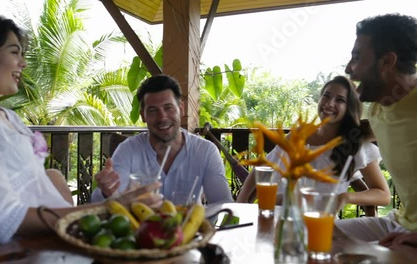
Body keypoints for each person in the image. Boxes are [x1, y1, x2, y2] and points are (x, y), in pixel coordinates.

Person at [0, 14, 160, 250]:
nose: (23, 63)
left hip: (65, 243)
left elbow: (39, 185)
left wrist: (108, 206)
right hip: (36, 253)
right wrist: (108, 208)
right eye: (14, 52)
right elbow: (4, 221)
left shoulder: (7, 117)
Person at [236, 76, 391, 211]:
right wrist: (241, 203)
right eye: (326, 96)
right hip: (278, 216)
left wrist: (346, 197)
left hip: (316, 222)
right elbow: (263, 169)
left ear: (349, 108)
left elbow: (383, 194)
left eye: (340, 100)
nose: (329, 104)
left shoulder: (355, 145)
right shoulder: (299, 135)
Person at [335, 13, 417, 245]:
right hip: (399, 224)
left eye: (357, 58)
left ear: (387, 61)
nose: (349, 69)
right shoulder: (377, 110)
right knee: (310, 235)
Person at [91, 74, 233, 205]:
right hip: (140, 229)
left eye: (168, 108)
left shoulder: (205, 151)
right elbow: (103, 202)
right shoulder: (128, 150)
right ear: (143, 116)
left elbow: (223, 204)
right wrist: (106, 191)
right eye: (153, 111)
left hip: (191, 229)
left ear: (181, 109)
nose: (162, 117)